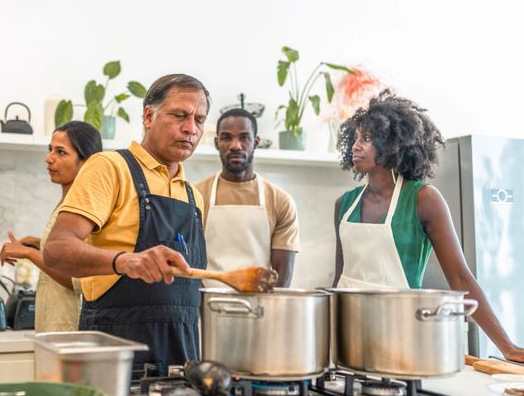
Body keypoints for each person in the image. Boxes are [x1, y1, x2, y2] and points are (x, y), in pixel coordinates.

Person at [333, 91, 524, 362]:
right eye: (355, 138)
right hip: (347, 342)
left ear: (392, 144)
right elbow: (340, 278)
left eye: (366, 138)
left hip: (400, 342)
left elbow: (460, 278)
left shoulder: (423, 199)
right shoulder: (343, 205)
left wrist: (507, 347)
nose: (355, 146)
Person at [43, 74, 209, 378]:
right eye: (179, 115)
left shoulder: (193, 196)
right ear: (148, 116)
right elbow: (56, 248)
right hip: (115, 363)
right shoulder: (110, 167)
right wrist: (126, 261)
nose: (191, 128)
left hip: (181, 366)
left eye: (199, 120)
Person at [0, 121, 102, 332]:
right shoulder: (67, 202)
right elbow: (69, 251)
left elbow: (77, 281)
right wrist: (38, 243)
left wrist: (29, 253)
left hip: (70, 329)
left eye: (61, 152)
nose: (49, 158)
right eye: (50, 149)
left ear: (86, 162)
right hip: (51, 326)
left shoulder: (85, 208)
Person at [196, 108, 299, 287]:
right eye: (226, 138)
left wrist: (265, 305)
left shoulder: (280, 201)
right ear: (216, 143)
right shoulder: (196, 195)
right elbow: (189, 262)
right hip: (208, 300)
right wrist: (204, 303)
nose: (235, 146)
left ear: (256, 142)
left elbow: (282, 276)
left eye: (244, 138)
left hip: (259, 302)